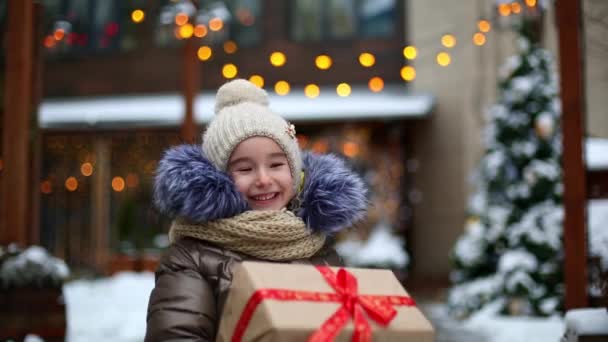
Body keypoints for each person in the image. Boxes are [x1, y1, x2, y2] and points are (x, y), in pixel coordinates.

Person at [144, 79, 368, 341]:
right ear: (220, 178)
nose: (263, 179)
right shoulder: (192, 257)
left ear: (295, 174)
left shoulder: (320, 251)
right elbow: (176, 334)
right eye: (245, 169)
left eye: (276, 165)